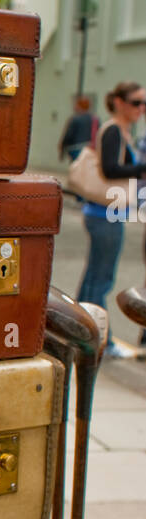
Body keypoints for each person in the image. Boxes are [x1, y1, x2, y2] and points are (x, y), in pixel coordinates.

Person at [78, 81, 146, 358]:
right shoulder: (114, 130)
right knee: (101, 279)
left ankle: (83, 334)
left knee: (95, 277)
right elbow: (110, 169)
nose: (141, 109)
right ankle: (97, 341)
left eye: (144, 104)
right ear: (119, 102)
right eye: (136, 103)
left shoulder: (121, 131)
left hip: (106, 213)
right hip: (106, 213)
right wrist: (142, 167)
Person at [59, 95, 98, 162]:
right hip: (90, 148)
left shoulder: (75, 119)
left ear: (79, 106)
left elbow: (69, 135)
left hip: (75, 148)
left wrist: (62, 145)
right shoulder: (95, 119)